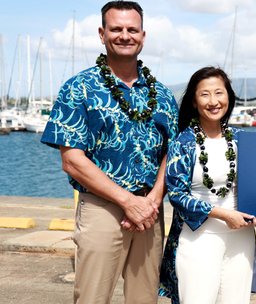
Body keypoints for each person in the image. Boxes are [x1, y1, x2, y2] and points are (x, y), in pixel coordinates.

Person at [40, 1, 178, 303]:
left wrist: (153, 199)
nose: (124, 35)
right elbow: (72, 161)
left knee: (145, 299)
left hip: (149, 212)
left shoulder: (163, 94)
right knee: (92, 298)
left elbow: (172, 154)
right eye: (116, 29)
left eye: (132, 29)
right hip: (103, 209)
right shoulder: (79, 88)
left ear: (143, 35)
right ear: (102, 34)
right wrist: (128, 202)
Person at [159, 66, 256, 304]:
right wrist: (223, 214)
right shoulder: (183, 142)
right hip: (198, 237)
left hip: (241, 236)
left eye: (219, 93)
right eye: (205, 94)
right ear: (194, 102)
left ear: (229, 96)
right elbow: (176, 195)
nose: (213, 101)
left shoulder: (242, 140)